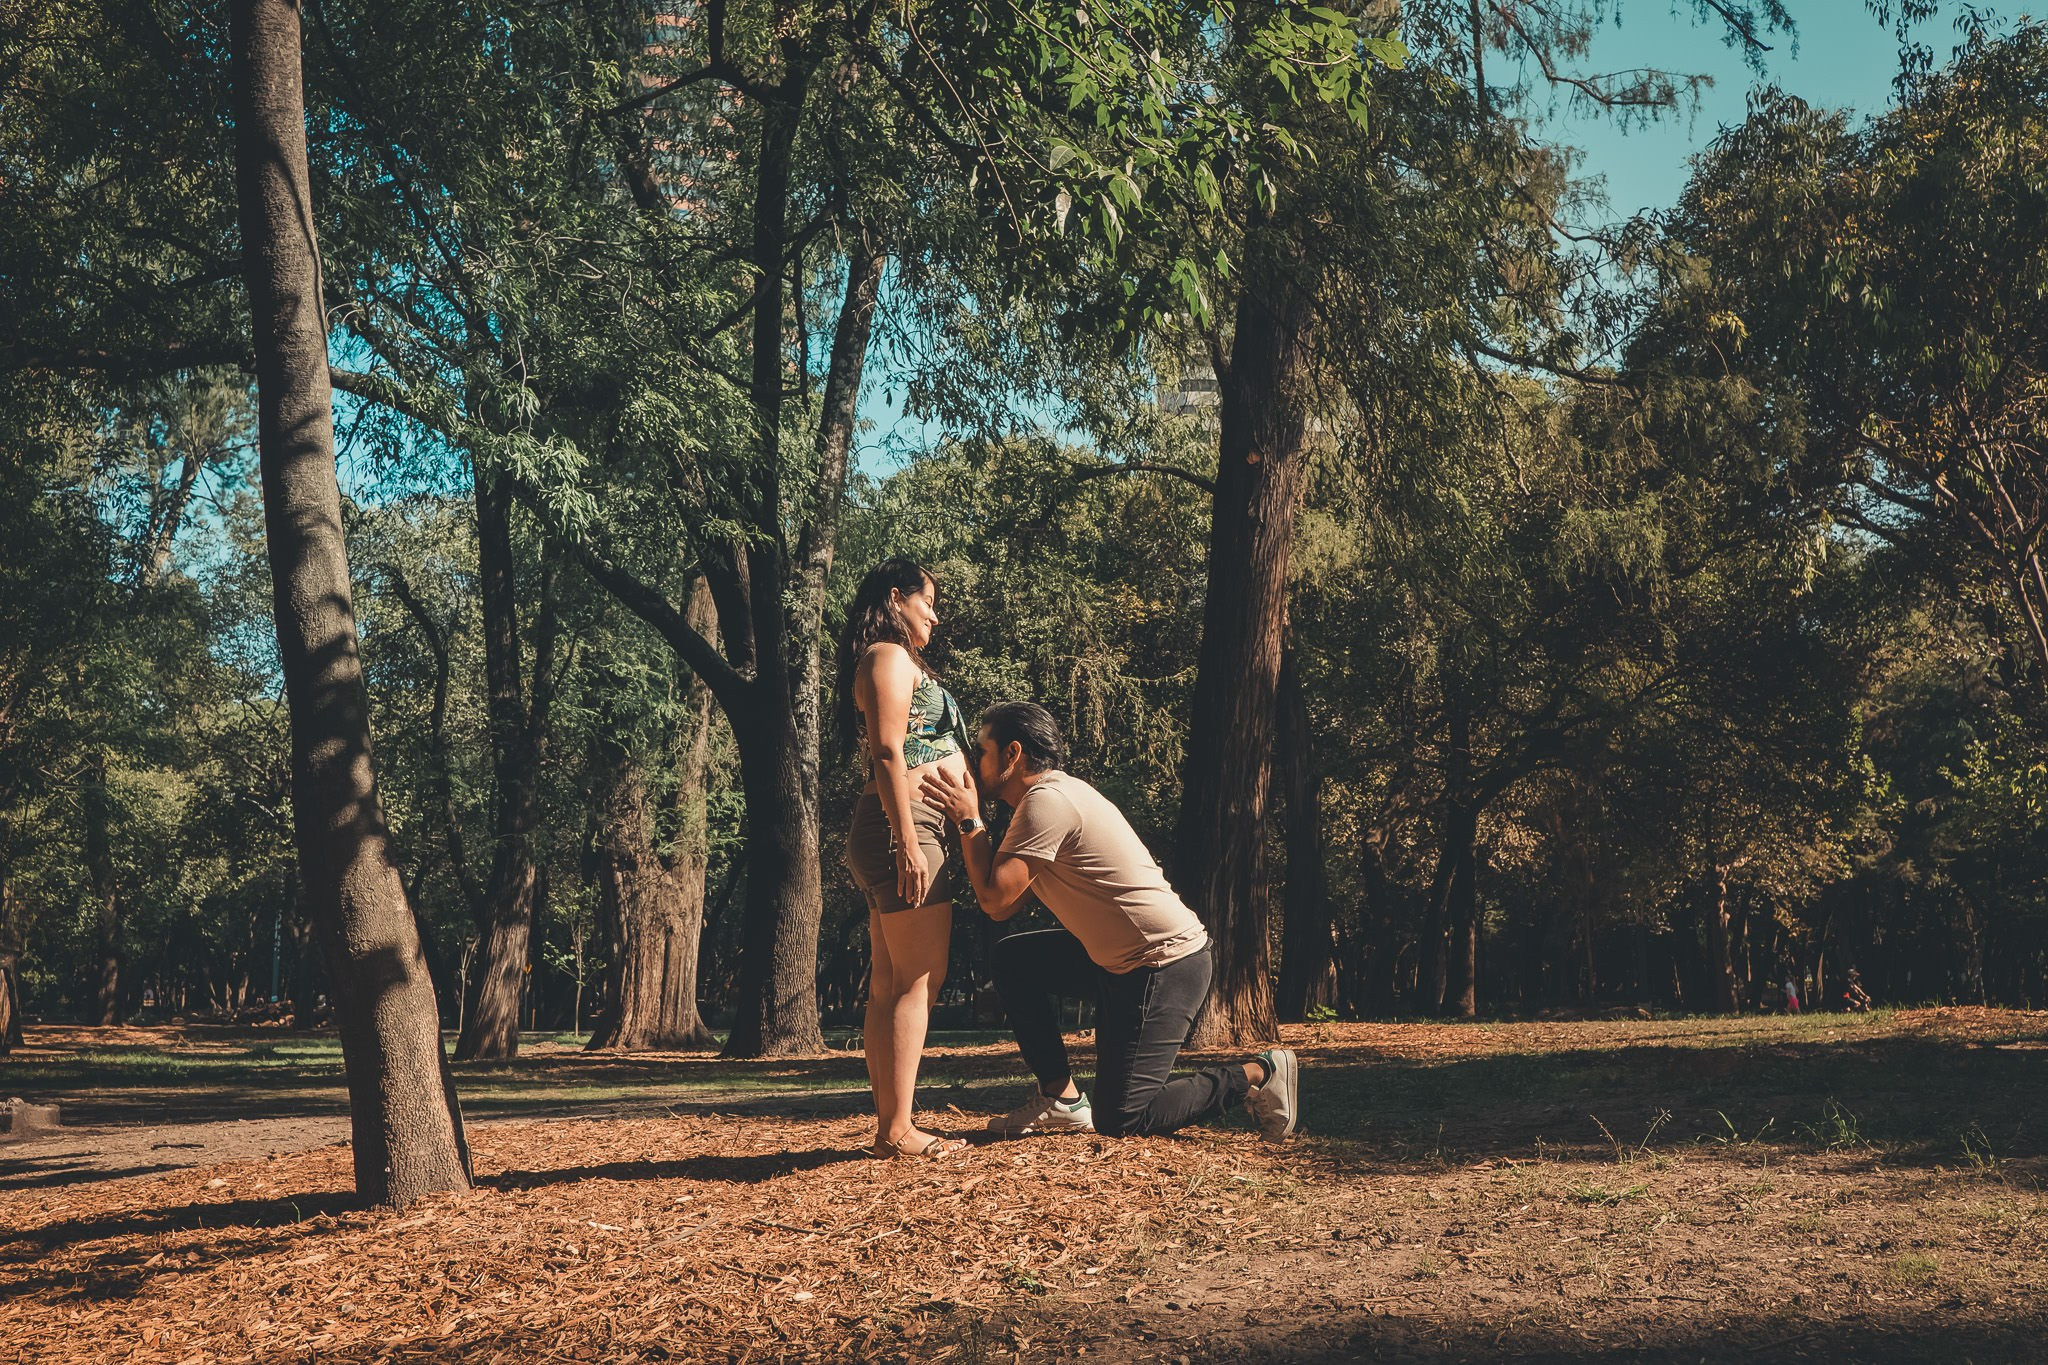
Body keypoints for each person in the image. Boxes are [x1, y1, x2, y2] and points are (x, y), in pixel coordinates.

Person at [919, 701, 1298, 1142]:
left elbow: (993, 898)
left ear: (1012, 753)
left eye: (981, 750)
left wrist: (969, 820)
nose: (970, 761)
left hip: (1164, 963)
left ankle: (1258, 1071)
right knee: (1013, 959)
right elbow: (1003, 908)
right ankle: (1061, 1099)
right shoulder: (1045, 800)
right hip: (1116, 962)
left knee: (1122, 1118)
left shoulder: (1049, 803)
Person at [837, 557, 974, 1159]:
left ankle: (890, 1126)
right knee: (920, 977)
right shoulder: (888, 658)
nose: (935, 617)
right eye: (928, 604)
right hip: (905, 825)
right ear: (897, 598)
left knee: (892, 981)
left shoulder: (887, 660)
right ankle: (898, 1129)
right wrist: (908, 841)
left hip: (899, 825)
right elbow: (890, 751)